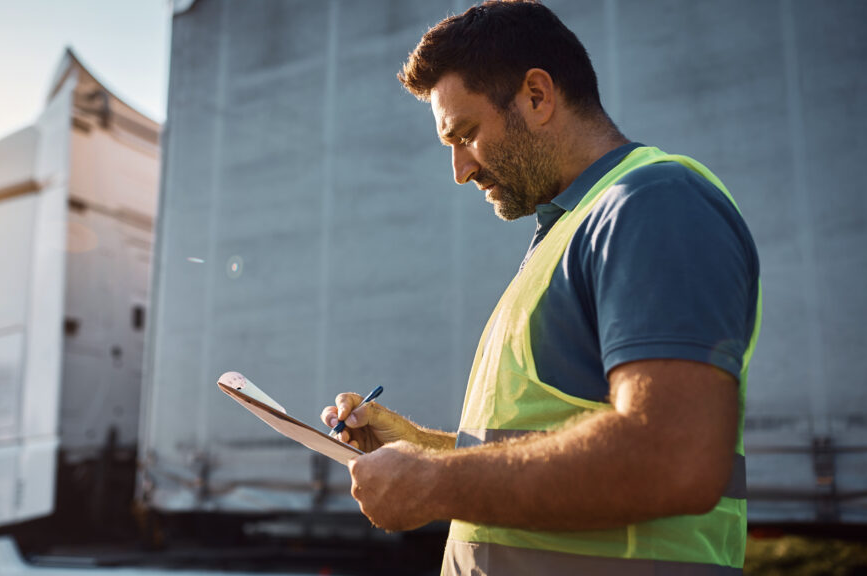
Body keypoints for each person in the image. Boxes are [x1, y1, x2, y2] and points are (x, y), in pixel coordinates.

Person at [320, 1, 761, 575]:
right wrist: (422, 449)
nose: (459, 170)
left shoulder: (654, 204)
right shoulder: (566, 233)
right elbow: (550, 445)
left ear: (536, 95)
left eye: (467, 134)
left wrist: (434, 482)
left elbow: (674, 457)